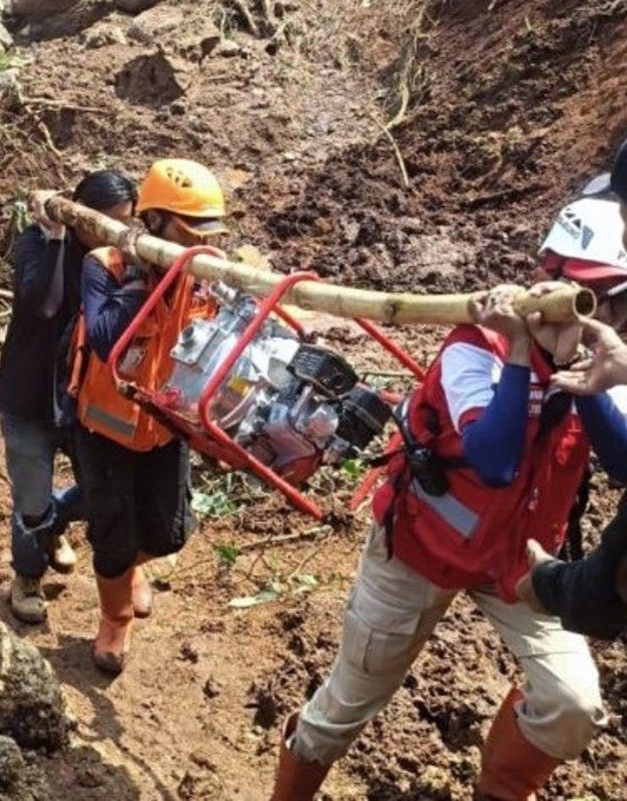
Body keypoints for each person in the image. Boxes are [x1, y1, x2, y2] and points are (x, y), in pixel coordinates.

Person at [270, 190, 627, 801]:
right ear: (555, 285)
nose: (611, 321)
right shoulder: (476, 347)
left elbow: (624, 462)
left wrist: (592, 386)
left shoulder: (610, 364)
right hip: (419, 549)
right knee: (345, 708)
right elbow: (492, 461)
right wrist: (521, 353)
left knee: (570, 703)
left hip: (520, 562)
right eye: (605, 303)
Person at [67, 158, 228, 674]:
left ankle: (131, 567)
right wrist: (143, 278)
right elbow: (106, 336)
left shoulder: (203, 277)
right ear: (154, 222)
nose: (198, 244)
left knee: (169, 534)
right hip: (106, 428)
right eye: (187, 232)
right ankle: (114, 619)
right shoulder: (106, 266)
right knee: (112, 538)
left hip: (164, 427)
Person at [0, 170, 138, 623]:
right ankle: (27, 575)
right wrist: (57, 238)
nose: (110, 233)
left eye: (122, 223)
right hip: (31, 393)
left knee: (106, 489)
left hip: (86, 400)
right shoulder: (39, 244)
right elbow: (43, 305)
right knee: (31, 499)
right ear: (79, 214)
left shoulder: (118, 261)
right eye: (102, 222)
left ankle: (52, 525)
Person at [513, 317, 627, 640]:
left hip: (533, 572)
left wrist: (550, 584)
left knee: (571, 694)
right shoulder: (478, 348)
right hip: (433, 553)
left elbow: (618, 581)